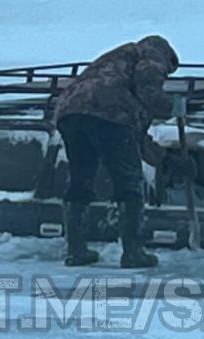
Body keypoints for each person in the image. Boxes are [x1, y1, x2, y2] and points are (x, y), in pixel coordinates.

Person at [53, 35, 180, 268]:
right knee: (128, 184)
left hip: (69, 112)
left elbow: (137, 135)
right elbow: (148, 93)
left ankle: (76, 250)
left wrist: (161, 158)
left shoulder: (114, 60)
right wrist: (173, 106)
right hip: (109, 114)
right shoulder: (152, 54)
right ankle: (133, 253)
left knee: (81, 180)